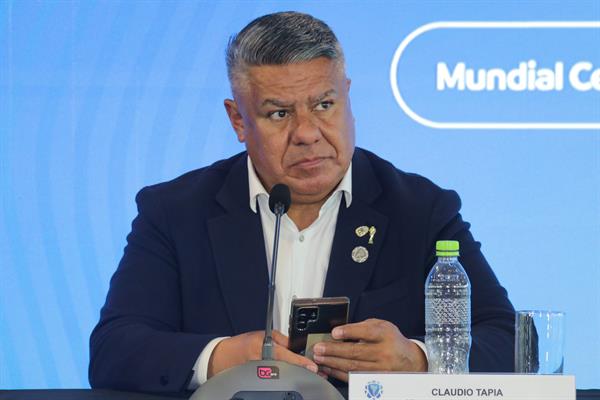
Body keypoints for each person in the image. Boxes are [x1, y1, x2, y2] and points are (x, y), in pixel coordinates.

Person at [89, 11, 515, 394]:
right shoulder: (175, 211)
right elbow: (114, 349)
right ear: (238, 120)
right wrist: (223, 358)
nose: (307, 133)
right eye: (279, 113)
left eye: (324, 105)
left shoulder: (420, 210)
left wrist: (419, 361)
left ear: (347, 97)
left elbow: (506, 339)